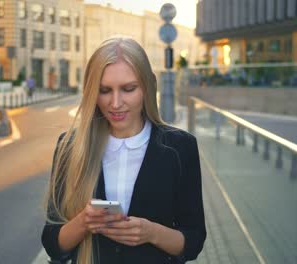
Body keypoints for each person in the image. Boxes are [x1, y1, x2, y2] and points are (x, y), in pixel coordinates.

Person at [42, 37, 206, 264]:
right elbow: (52, 242)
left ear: (148, 87)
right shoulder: (70, 146)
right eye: (104, 90)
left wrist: (152, 233)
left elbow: (194, 241)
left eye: (128, 89)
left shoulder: (180, 148)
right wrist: (83, 223)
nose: (116, 103)